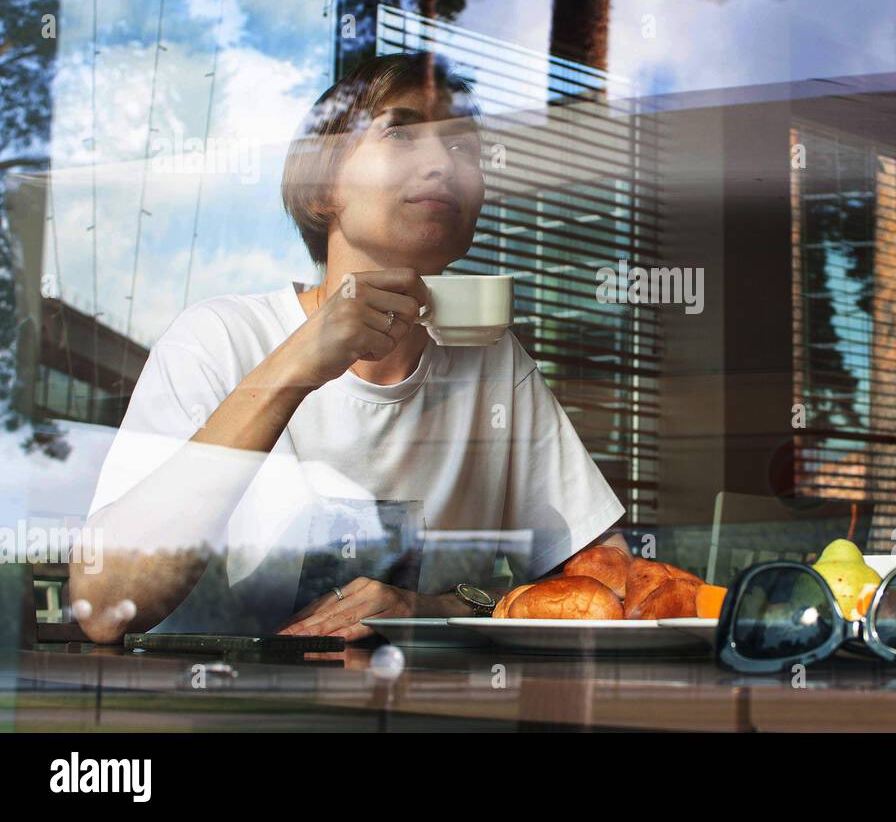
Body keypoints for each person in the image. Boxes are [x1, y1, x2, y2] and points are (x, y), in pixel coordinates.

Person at [70, 52, 626, 642]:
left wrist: (446, 607)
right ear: (321, 187)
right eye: (402, 134)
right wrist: (296, 366)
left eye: (464, 148)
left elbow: (611, 587)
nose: (443, 163)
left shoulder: (491, 362)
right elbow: (106, 607)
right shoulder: (216, 340)